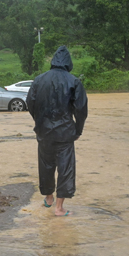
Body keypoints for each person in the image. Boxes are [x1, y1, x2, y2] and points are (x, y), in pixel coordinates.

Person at [26, 46, 88, 217]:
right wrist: (78, 130)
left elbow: (30, 103)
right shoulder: (74, 81)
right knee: (65, 168)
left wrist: (39, 122)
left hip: (44, 132)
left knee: (45, 165)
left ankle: (48, 198)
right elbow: (81, 110)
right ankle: (59, 208)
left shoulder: (39, 80)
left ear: (53, 61)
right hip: (65, 133)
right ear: (68, 63)